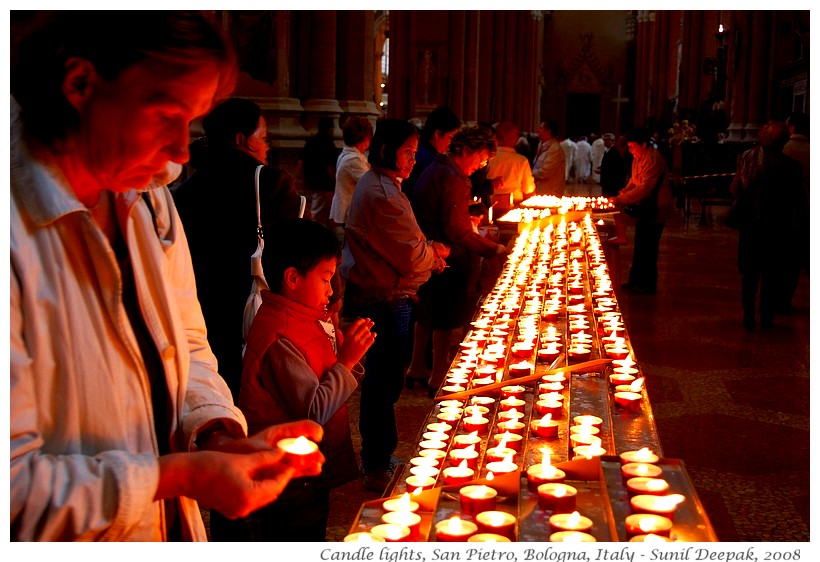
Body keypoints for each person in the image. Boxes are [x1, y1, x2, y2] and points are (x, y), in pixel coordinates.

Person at [10, 11, 323, 541]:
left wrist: (215, 432)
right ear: (81, 84)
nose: (181, 152)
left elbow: (184, 340)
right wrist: (175, 475)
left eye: (193, 122)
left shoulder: (147, 193)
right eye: (164, 115)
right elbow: (12, 495)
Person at [237, 218, 375, 540]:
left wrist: (347, 357)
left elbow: (327, 372)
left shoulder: (305, 316)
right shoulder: (278, 335)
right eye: (326, 279)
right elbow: (313, 411)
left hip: (308, 470)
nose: (330, 290)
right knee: (296, 535)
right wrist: (347, 360)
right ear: (293, 278)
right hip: (287, 477)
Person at [340, 118, 450, 492]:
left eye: (414, 151)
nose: (413, 159)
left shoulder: (384, 186)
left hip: (389, 297)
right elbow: (411, 256)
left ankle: (380, 457)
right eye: (407, 151)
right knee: (383, 386)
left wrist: (426, 253)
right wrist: (433, 255)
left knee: (384, 385)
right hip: (385, 303)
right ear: (386, 150)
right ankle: (375, 464)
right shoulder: (383, 195)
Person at [174, 98, 306, 399]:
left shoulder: (186, 191)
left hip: (202, 314)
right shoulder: (270, 182)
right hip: (258, 313)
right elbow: (298, 248)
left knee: (215, 390)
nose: (267, 145)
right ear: (241, 140)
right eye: (263, 137)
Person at [408, 126, 508, 395]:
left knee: (427, 313)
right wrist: (493, 249)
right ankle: (438, 375)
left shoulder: (435, 169)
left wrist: (468, 212)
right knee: (445, 317)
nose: (480, 166)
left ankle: (417, 366)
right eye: (480, 159)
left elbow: (446, 212)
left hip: (428, 252)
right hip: (447, 257)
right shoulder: (452, 177)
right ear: (463, 150)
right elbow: (456, 230)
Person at [729, 121, 803, 331]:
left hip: (751, 226)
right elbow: (798, 201)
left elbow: (735, 189)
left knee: (750, 275)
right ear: (783, 142)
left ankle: (748, 317)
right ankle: (767, 317)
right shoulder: (791, 167)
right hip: (777, 228)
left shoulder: (746, 159)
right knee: (771, 275)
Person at [610, 128, 674, 295]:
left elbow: (646, 187)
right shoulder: (638, 158)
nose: (630, 150)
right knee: (640, 243)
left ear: (643, 145)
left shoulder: (653, 159)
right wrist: (623, 192)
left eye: (632, 146)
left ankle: (647, 284)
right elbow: (634, 180)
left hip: (656, 208)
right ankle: (634, 280)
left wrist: (620, 200)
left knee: (649, 246)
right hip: (645, 208)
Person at [403, 106, 461, 204]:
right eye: (450, 137)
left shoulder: (427, 153)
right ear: (437, 134)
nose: (451, 143)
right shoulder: (427, 160)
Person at [329, 116, 373, 240]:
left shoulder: (347, 154)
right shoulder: (354, 159)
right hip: (349, 213)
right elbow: (370, 184)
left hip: (348, 212)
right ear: (364, 139)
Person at [297, 116, 339, 228]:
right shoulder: (328, 143)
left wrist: (299, 179)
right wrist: (335, 181)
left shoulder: (311, 141)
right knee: (319, 210)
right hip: (325, 182)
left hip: (312, 180)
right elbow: (330, 165)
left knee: (321, 208)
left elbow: (301, 161)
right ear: (329, 128)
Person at [485, 121, 536, 211]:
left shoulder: (487, 157)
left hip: (489, 205)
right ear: (515, 139)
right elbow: (528, 189)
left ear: (495, 138)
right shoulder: (521, 161)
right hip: (514, 207)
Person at [533, 120, 567, 196]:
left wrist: (529, 173)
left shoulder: (555, 149)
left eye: (541, 128)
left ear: (548, 131)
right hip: (541, 190)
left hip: (550, 192)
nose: (538, 131)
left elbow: (546, 172)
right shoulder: (542, 146)